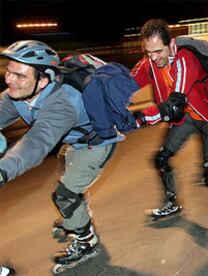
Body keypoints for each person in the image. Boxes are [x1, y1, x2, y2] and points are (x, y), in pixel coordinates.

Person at [0, 40, 120, 271]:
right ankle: (76, 212)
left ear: (43, 80)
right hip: (72, 142)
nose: (9, 80)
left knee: (64, 194)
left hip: (96, 144)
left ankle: (86, 241)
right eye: (9, 71)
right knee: (68, 178)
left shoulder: (63, 103)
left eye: (19, 75)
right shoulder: (19, 92)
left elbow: (34, 145)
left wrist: (3, 171)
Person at [130, 19, 208, 243]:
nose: (154, 57)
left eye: (158, 51)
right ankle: (172, 202)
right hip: (188, 116)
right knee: (161, 158)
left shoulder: (185, 59)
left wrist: (135, 120)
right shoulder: (149, 64)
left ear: (170, 44)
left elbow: (175, 106)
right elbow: (125, 85)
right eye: (148, 52)